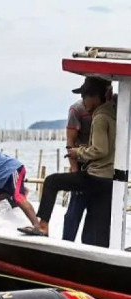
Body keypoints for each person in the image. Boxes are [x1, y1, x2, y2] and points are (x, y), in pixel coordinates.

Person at [18, 77, 115, 247]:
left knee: (51, 182)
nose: (83, 102)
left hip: (96, 176)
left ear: (94, 96)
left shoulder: (99, 116)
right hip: (110, 179)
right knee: (94, 231)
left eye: (85, 96)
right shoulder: (115, 112)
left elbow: (100, 150)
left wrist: (77, 152)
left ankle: (43, 225)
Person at [62, 78, 112, 241]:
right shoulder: (76, 110)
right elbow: (70, 143)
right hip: (82, 163)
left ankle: (89, 246)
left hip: (102, 168)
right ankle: (67, 245)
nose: (84, 100)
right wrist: (75, 169)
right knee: (75, 210)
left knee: (96, 213)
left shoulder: (112, 107)